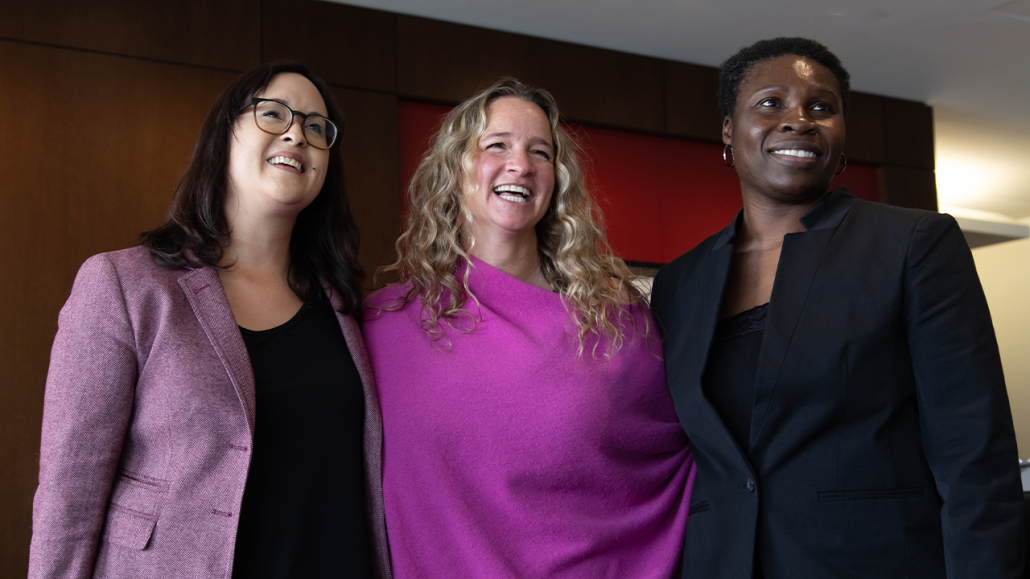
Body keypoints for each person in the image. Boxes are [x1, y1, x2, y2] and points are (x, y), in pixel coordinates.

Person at [650, 37, 1023, 579]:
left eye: (821, 107)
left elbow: (974, 453)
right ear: (729, 130)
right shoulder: (681, 282)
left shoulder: (912, 244)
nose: (799, 120)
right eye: (770, 103)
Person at [29, 62, 389, 578]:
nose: (296, 132)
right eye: (273, 113)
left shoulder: (348, 308)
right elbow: (71, 489)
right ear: (224, 136)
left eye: (316, 126)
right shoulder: (124, 284)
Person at [363, 77, 694, 578]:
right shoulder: (383, 324)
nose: (520, 164)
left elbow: (679, 457)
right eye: (497, 145)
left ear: (555, 179)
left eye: (540, 152)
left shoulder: (613, 322)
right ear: (455, 168)